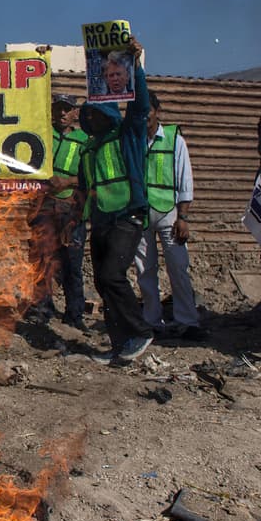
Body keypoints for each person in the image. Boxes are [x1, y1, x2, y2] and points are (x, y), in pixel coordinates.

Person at [71, 37, 154, 364]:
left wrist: (137, 65)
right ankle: (120, 345)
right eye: (87, 116)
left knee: (111, 276)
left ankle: (141, 331)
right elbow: (83, 188)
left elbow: (140, 105)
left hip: (127, 215)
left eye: (96, 114)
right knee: (104, 285)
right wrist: (73, 220)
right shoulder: (89, 147)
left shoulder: (128, 132)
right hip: (101, 220)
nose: (92, 120)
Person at [135, 93, 204, 340]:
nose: (144, 117)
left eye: (147, 111)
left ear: (157, 112)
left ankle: (187, 320)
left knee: (178, 266)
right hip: (140, 214)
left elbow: (185, 180)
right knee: (145, 270)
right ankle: (151, 322)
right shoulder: (133, 140)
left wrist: (183, 217)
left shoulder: (175, 139)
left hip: (169, 213)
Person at [26, 93, 88, 328]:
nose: (62, 113)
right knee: (41, 258)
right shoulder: (41, 136)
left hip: (72, 206)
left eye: (67, 109)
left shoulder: (85, 140)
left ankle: (75, 314)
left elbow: (90, 174)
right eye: (58, 108)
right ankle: (42, 308)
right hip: (44, 204)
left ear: (75, 113)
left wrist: (68, 181)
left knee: (72, 261)